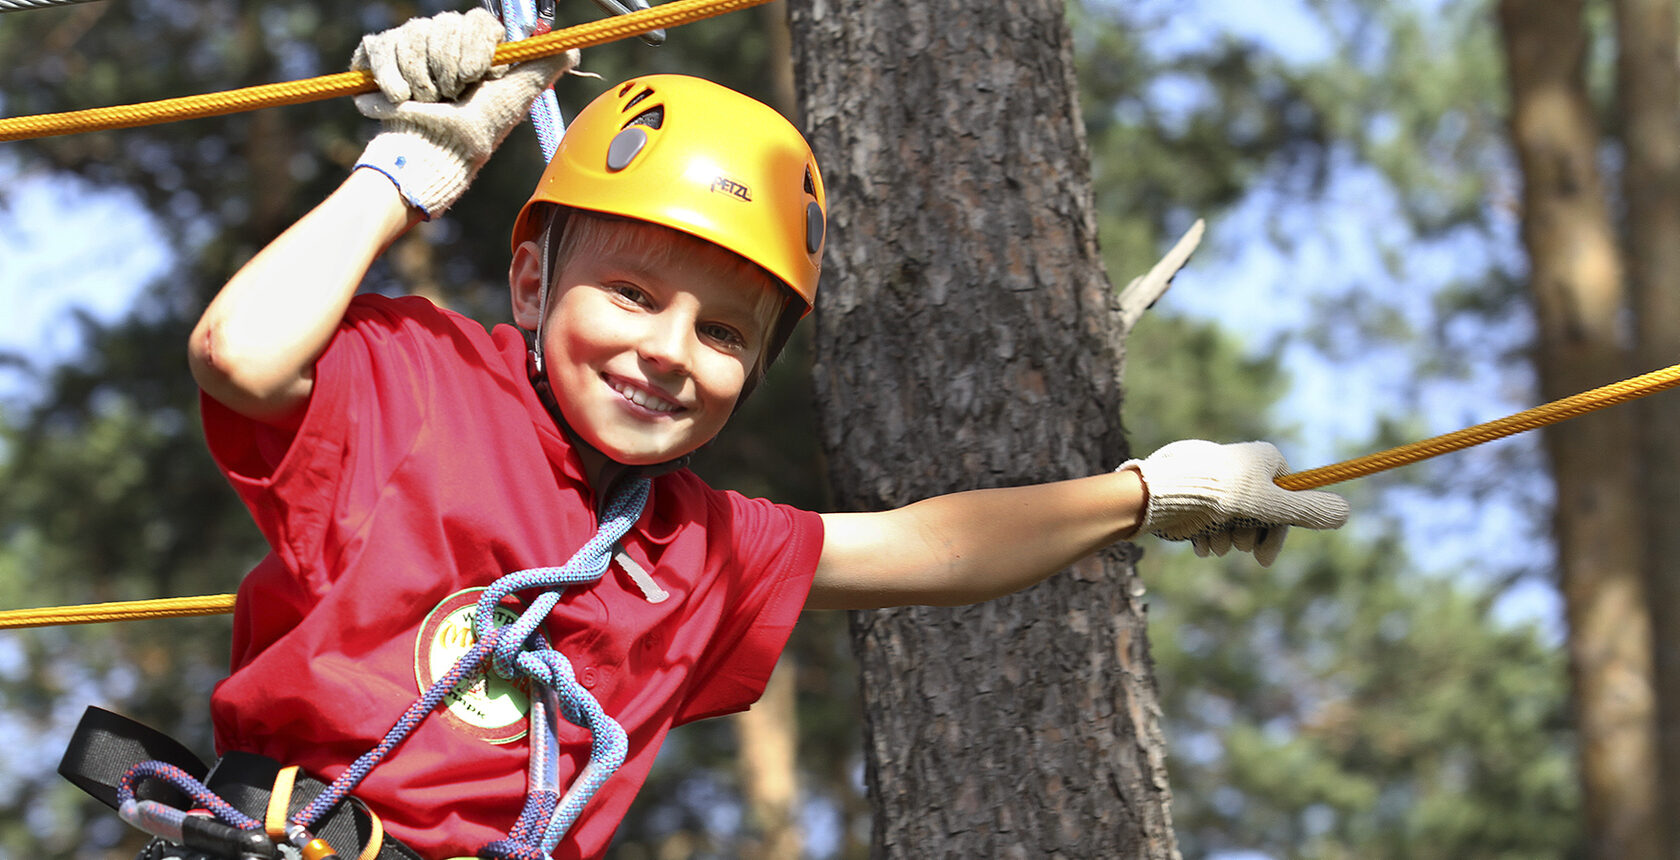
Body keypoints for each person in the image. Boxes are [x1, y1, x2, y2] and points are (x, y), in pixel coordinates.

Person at [174, 9, 1349, 860]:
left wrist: (1154, 491)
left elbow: (925, 549)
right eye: (632, 293)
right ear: (528, 279)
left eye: (725, 332)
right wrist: (412, 165)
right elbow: (243, 351)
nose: (671, 350)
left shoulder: (693, 547)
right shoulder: (418, 383)